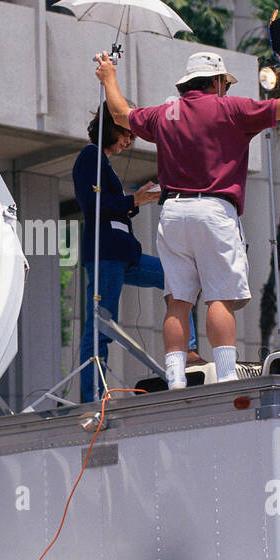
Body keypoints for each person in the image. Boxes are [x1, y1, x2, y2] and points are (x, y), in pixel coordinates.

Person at [95, 46, 280, 389]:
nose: (226, 89)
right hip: (213, 211)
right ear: (216, 83)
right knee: (219, 298)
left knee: (178, 300)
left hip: (173, 212)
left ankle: (176, 379)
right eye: (224, 83)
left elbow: (121, 115)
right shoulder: (231, 108)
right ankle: (226, 376)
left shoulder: (165, 113)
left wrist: (109, 77)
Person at [73, 105, 200, 403]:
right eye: (126, 135)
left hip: (121, 253)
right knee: (100, 323)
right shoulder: (90, 156)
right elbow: (93, 206)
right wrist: (135, 200)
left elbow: (107, 204)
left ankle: (189, 349)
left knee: (176, 277)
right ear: (110, 128)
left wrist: (135, 199)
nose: (128, 142)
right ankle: (93, 396)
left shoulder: (100, 161)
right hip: (106, 252)